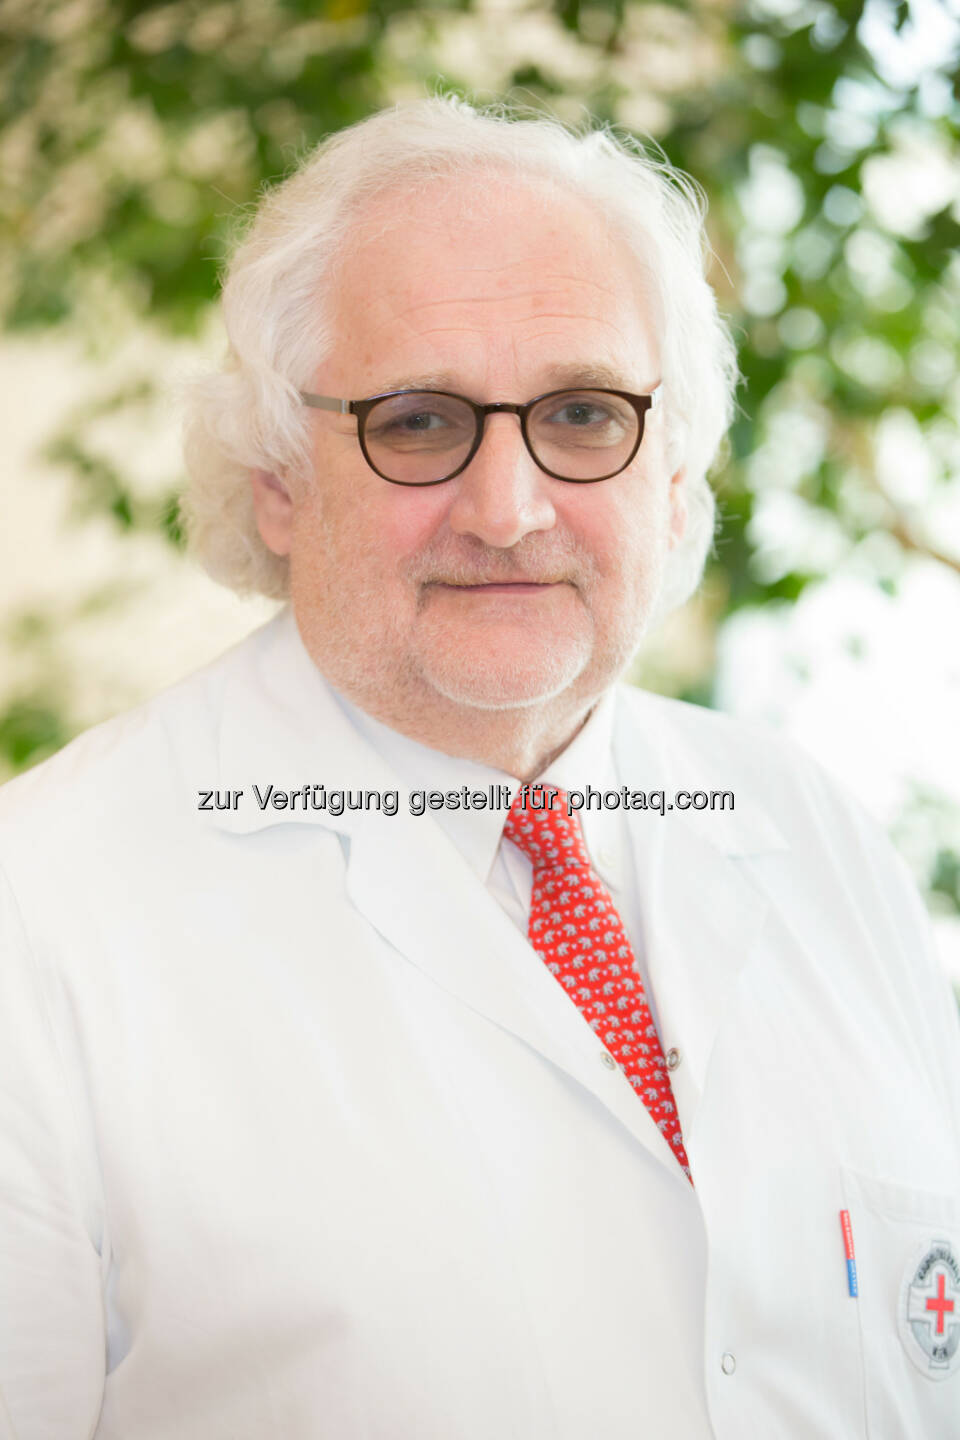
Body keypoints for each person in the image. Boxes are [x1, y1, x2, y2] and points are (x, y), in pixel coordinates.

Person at [1, 96, 958, 1440]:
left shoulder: (819, 835)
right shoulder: (38, 916)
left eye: (582, 413)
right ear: (278, 475)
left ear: (674, 476)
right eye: (418, 421)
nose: (508, 510)